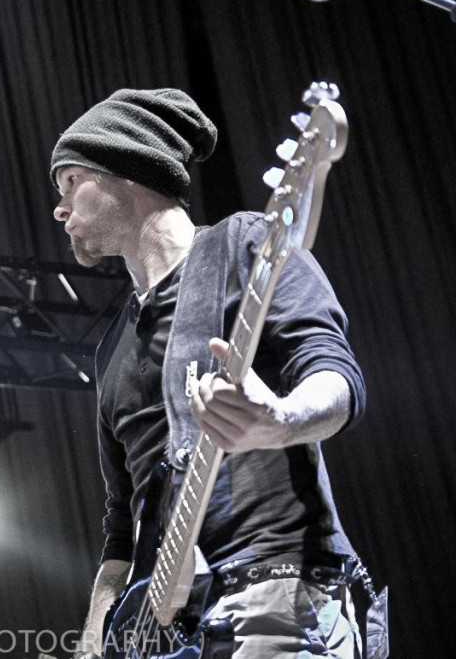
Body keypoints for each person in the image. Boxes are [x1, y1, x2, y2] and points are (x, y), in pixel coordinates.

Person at [50, 89, 367, 658]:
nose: (60, 207)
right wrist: (95, 636)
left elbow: (336, 375)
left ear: (128, 169)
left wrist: (281, 419)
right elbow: (121, 526)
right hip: (166, 636)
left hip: (275, 589)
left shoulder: (245, 243)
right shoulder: (110, 350)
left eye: (71, 181)